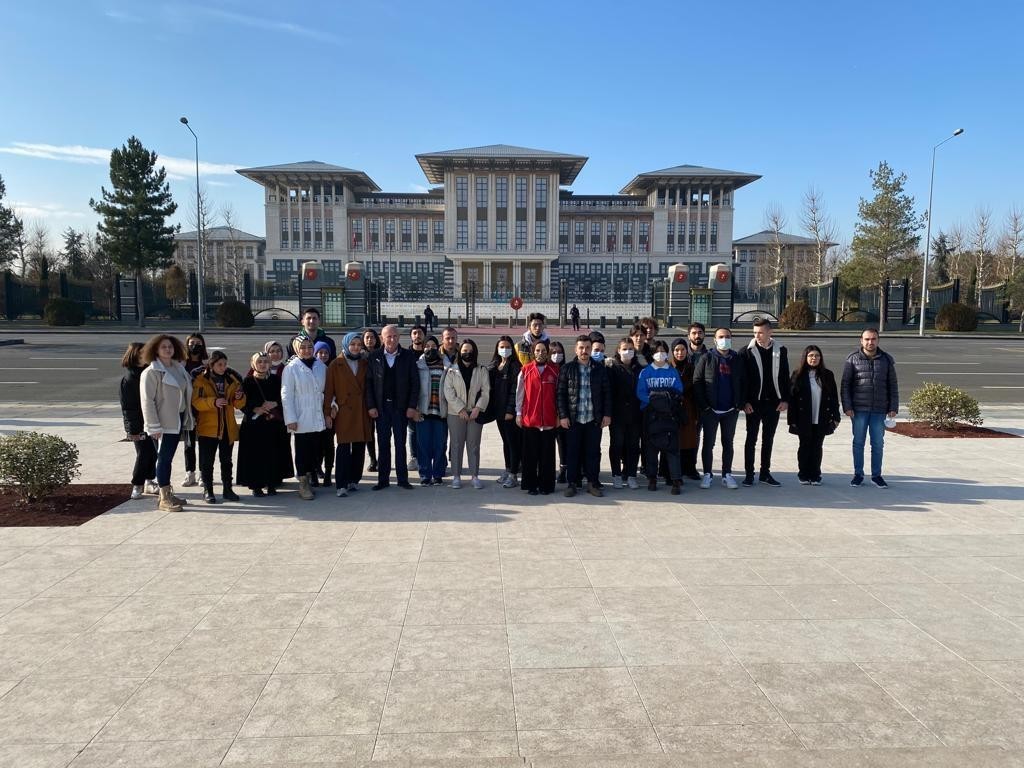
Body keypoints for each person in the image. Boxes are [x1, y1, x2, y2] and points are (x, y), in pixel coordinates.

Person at [140, 334, 194, 512]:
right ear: (155, 350)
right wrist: (153, 426)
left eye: (170, 346)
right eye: (163, 347)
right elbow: (147, 401)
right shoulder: (151, 372)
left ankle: (167, 493)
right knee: (164, 459)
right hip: (162, 424)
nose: (168, 349)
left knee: (168, 458)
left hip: (177, 419)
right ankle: (164, 498)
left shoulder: (178, 368)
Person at [841, 328, 898, 488]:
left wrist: (893, 406)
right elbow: (845, 385)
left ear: (878, 340)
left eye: (873, 339)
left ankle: (876, 475)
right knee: (858, 443)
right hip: (858, 410)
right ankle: (858, 474)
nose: (870, 342)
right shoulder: (852, 359)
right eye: (867, 339)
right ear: (861, 340)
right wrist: (847, 406)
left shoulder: (886, 359)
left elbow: (892, 385)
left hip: (879, 409)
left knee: (878, 444)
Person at [366, 324, 420, 490]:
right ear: (382, 338)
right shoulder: (374, 356)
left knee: (400, 444)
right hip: (381, 409)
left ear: (399, 337)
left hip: (401, 408)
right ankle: (383, 480)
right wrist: (371, 406)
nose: (392, 339)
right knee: (383, 445)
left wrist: (412, 406)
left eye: (395, 336)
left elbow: (415, 383)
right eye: (388, 336)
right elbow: (368, 384)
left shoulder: (408, 356)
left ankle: (402, 479)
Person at [693, 328, 748, 490]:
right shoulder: (707, 358)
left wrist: (739, 404)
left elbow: (744, 382)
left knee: (728, 443)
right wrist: (704, 406)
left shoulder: (737, 359)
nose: (724, 339)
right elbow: (697, 382)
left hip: (730, 410)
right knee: (708, 443)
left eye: (727, 337)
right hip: (711, 410)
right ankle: (707, 474)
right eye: (721, 337)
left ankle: (727, 474)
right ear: (715, 340)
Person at [557, 335, 611, 498]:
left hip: (593, 420)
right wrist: (563, 416)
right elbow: (561, 394)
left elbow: (607, 393)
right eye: (581, 347)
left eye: (587, 348)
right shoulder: (567, 369)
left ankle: (592, 483)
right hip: (574, 419)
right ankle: (572, 483)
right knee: (572, 452)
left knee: (593, 453)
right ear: (575, 349)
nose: (584, 351)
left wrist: (607, 414)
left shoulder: (599, 369)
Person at [191, 351, 245, 504]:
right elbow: (196, 402)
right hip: (208, 428)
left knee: (226, 461)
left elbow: (238, 404)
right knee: (207, 462)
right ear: (211, 365)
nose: (223, 367)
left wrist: (240, 397)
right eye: (219, 364)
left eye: (225, 364)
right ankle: (208, 490)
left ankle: (228, 489)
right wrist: (213, 402)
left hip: (227, 427)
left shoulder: (232, 379)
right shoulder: (201, 380)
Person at [741, 318, 789, 487]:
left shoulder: (781, 350)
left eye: (761, 332)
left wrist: (785, 400)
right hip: (753, 404)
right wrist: (744, 402)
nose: (757, 336)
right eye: (755, 332)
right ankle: (749, 474)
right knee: (751, 439)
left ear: (770, 332)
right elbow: (742, 380)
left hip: (773, 404)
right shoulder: (746, 352)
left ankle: (765, 474)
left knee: (768, 439)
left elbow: (785, 376)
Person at [324, 332, 373, 497]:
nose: (356, 347)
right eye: (353, 344)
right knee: (343, 448)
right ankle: (341, 483)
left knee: (359, 446)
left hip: (361, 409)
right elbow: (329, 391)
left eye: (359, 345)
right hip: (344, 410)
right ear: (346, 345)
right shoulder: (335, 364)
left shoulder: (364, 363)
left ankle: (354, 479)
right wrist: (328, 412)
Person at [237, 352, 292, 497]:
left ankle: (272, 483)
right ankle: (256, 486)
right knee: (255, 455)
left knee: (273, 453)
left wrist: (275, 403)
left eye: (265, 361)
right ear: (253, 364)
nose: (263, 364)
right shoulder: (247, 382)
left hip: (273, 424)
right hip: (254, 425)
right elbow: (240, 402)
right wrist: (254, 409)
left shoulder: (276, 380)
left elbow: (285, 397)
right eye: (259, 361)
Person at [281, 337, 328, 500]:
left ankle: (310, 477)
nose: (307, 350)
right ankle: (303, 483)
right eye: (303, 347)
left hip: (317, 414)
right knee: (302, 451)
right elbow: (286, 395)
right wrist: (290, 418)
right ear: (296, 349)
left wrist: (332, 406)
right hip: (301, 416)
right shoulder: (291, 368)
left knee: (315, 450)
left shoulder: (321, 366)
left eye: (309, 347)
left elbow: (327, 390)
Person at [788, 345, 841, 485]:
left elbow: (834, 398)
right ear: (805, 358)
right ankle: (803, 474)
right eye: (811, 355)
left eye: (817, 355)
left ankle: (815, 474)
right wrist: (792, 420)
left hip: (822, 416)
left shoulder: (828, 375)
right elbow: (792, 399)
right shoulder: (797, 374)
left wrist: (836, 417)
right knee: (804, 446)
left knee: (817, 446)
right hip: (803, 418)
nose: (814, 358)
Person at [637, 340, 684, 495]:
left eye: (663, 351)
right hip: (651, 415)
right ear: (652, 354)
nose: (660, 354)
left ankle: (675, 480)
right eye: (657, 351)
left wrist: (666, 403)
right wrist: (656, 402)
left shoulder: (672, 372)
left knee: (672, 449)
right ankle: (652, 478)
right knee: (651, 449)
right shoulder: (645, 372)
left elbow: (679, 390)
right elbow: (640, 392)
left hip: (669, 415)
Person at [443, 339, 490, 489]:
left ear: (474, 352)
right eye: (464, 351)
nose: (467, 353)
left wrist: (478, 408)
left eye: (470, 351)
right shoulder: (452, 370)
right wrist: (460, 409)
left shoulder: (481, 370)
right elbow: (448, 392)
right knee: (456, 445)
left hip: (475, 413)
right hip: (456, 413)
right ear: (460, 352)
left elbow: (486, 391)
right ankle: (456, 476)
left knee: (473, 445)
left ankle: (474, 476)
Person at [516, 339, 559, 495]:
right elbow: (520, 394)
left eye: (543, 350)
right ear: (533, 352)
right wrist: (518, 413)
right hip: (530, 419)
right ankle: (531, 485)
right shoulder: (525, 370)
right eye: (537, 350)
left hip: (549, 419)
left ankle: (546, 485)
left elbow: (559, 395)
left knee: (547, 456)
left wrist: (559, 415)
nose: (541, 353)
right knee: (530, 455)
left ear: (548, 352)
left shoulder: (555, 371)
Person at [119, 342, 158, 500]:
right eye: (142, 353)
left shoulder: (149, 373)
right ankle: (137, 484)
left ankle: (150, 480)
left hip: (153, 420)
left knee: (153, 452)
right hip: (139, 424)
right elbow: (128, 407)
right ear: (135, 355)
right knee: (143, 453)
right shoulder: (129, 379)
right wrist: (132, 430)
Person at [607, 337, 642, 490]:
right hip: (617, 415)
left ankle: (631, 474)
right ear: (618, 350)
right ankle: (616, 474)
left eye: (631, 349)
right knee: (617, 445)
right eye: (625, 349)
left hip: (635, 414)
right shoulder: (612, 368)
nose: (628, 352)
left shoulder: (639, 368)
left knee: (633, 446)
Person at [489, 335, 522, 489]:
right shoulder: (495, 366)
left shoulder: (515, 366)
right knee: (505, 442)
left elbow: (515, 391)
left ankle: (514, 474)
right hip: (499, 412)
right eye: (502, 347)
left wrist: (510, 410)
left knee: (513, 443)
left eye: (508, 347)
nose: (505, 350)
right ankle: (508, 469)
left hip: (509, 413)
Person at [415, 337, 448, 485]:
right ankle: (425, 475)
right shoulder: (418, 365)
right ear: (423, 348)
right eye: (427, 346)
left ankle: (438, 474)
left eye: (433, 346)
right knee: (423, 446)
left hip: (441, 411)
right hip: (423, 411)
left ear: (438, 347)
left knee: (440, 445)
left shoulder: (446, 365)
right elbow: (413, 388)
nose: (430, 349)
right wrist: (415, 409)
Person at [680, 323, 708, 480]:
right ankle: (678, 466)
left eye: (700, 333)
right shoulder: (682, 353)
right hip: (684, 402)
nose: (697, 336)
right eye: (694, 333)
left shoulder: (709, 355)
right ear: (688, 336)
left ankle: (691, 467)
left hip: (702, 402)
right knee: (681, 434)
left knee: (695, 435)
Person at [671, 337, 701, 482]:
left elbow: (696, 390)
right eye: (677, 350)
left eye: (683, 349)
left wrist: (697, 413)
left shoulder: (691, 367)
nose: (680, 353)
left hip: (689, 408)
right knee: (674, 440)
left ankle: (690, 468)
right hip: (672, 408)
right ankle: (671, 470)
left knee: (689, 440)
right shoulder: (668, 367)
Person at [180, 333, 207, 488]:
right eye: (191, 343)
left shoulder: (206, 365)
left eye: (198, 343)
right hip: (187, 409)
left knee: (204, 443)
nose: (194, 346)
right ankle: (190, 472)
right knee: (189, 443)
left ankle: (204, 473)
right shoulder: (181, 364)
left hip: (203, 409)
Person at [311, 341, 335, 487]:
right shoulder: (311, 369)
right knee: (315, 445)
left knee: (328, 444)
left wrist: (333, 407)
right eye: (320, 352)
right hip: (314, 412)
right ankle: (315, 471)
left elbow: (334, 392)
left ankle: (328, 474)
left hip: (328, 412)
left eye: (326, 353)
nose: (323, 355)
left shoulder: (331, 369)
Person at [549, 340, 569, 483]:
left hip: (563, 414)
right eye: (554, 352)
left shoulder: (567, 369)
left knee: (563, 443)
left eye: (560, 352)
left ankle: (564, 469)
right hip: (548, 413)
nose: (557, 355)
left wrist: (561, 414)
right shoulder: (546, 369)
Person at [362, 328, 381, 472]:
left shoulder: (381, 354)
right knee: (369, 432)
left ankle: (382, 458)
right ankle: (373, 459)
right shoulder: (359, 355)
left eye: (372, 337)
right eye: (367, 337)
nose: (370, 340)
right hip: (364, 398)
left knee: (382, 431)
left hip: (379, 397)